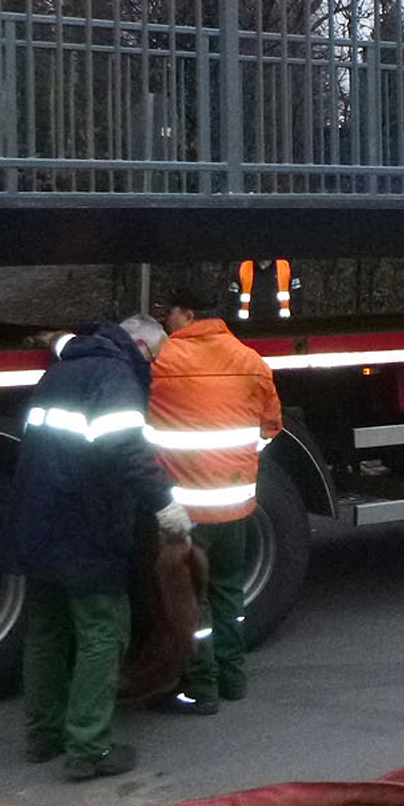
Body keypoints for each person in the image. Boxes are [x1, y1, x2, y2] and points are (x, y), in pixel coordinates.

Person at [4, 314, 191, 780]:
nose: (153, 368)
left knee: (46, 630)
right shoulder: (116, 377)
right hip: (85, 522)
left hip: (37, 516)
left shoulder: (65, 368)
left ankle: (43, 736)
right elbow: (126, 450)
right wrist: (166, 505)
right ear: (142, 348)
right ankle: (88, 748)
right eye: (155, 359)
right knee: (103, 630)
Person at [146, 280, 284, 714]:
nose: (166, 321)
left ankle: (201, 690)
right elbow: (270, 426)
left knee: (191, 601)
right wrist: (237, 462)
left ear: (187, 314)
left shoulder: (161, 360)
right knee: (229, 592)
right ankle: (234, 678)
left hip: (185, 512)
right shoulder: (250, 360)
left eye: (170, 313)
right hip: (236, 505)